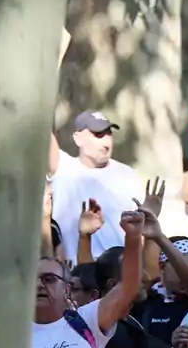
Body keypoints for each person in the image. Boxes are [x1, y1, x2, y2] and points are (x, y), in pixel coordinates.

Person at [27, 211, 144, 348]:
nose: (39, 285)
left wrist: (132, 238)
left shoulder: (85, 321)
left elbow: (128, 287)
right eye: (34, 279)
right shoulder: (11, 333)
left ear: (67, 289)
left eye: (48, 279)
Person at [48, 110, 141, 262]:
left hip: (118, 271)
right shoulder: (63, 168)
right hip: (76, 274)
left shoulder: (127, 175)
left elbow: (141, 231)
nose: (106, 142)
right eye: (98, 135)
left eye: (108, 134)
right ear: (78, 139)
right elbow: (41, 130)